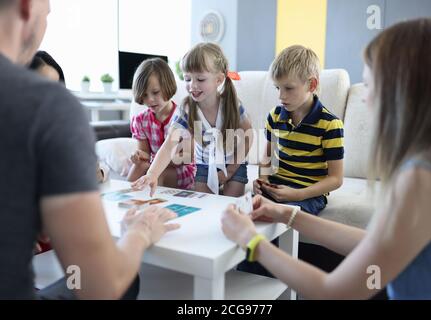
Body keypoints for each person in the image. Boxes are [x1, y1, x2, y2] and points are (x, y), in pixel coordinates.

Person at [222, 17, 431, 299]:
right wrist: (287, 213)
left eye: (371, 85)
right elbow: (377, 244)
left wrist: (250, 240)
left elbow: (334, 291)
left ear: (405, 90)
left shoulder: (424, 179)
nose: (365, 99)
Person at [0, 0, 179, 299]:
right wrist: (139, 233)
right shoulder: (47, 106)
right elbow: (101, 285)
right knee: (126, 279)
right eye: (48, 8)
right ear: (27, 7)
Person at [132, 43, 253, 197]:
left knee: (232, 205)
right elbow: (170, 143)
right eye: (187, 79)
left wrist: (229, 171)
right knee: (203, 203)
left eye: (201, 79)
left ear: (219, 79)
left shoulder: (232, 104)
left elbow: (248, 136)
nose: (193, 85)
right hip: (205, 165)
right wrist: (152, 174)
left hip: (235, 162)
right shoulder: (187, 109)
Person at [254, 45, 344, 216]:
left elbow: (336, 179)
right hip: (276, 186)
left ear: (312, 84)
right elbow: (267, 158)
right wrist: (263, 181)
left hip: (308, 194)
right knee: (247, 209)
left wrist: (299, 193)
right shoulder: (274, 116)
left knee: (283, 215)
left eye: (288, 88)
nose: (281, 96)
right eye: (277, 88)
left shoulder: (330, 124)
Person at [127, 58, 196, 190]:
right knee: (140, 166)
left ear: (167, 86)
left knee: (158, 175)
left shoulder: (183, 117)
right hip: (154, 167)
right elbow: (145, 154)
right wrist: (139, 157)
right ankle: (123, 195)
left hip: (181, 169)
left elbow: (187, 157)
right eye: (144, 95)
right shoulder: (141, 120)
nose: (150, 99)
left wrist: (157, 163)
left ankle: (152, 202)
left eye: (155, 92)